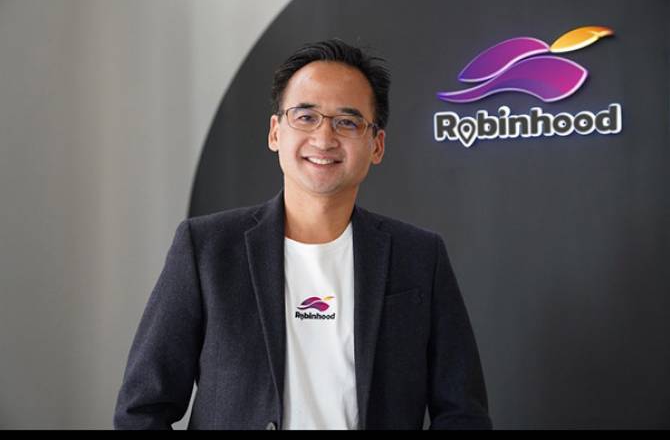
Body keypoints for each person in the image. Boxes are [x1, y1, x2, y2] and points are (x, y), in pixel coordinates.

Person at [114, 39, 492, 430]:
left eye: (347, 122)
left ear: (377, 145)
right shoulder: (207, 249)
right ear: (275, 132)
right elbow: (142, 409)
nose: (324, 138)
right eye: (306, 116)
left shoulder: (419, 257)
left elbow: (463, 413)